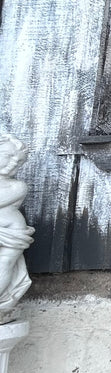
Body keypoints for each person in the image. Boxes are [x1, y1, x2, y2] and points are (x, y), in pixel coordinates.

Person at [0, 134, 34, 322]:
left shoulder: (17, 187)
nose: (13, 163)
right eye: (8, 156)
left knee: (4, 265)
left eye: (19, 162)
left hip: (12, 236)